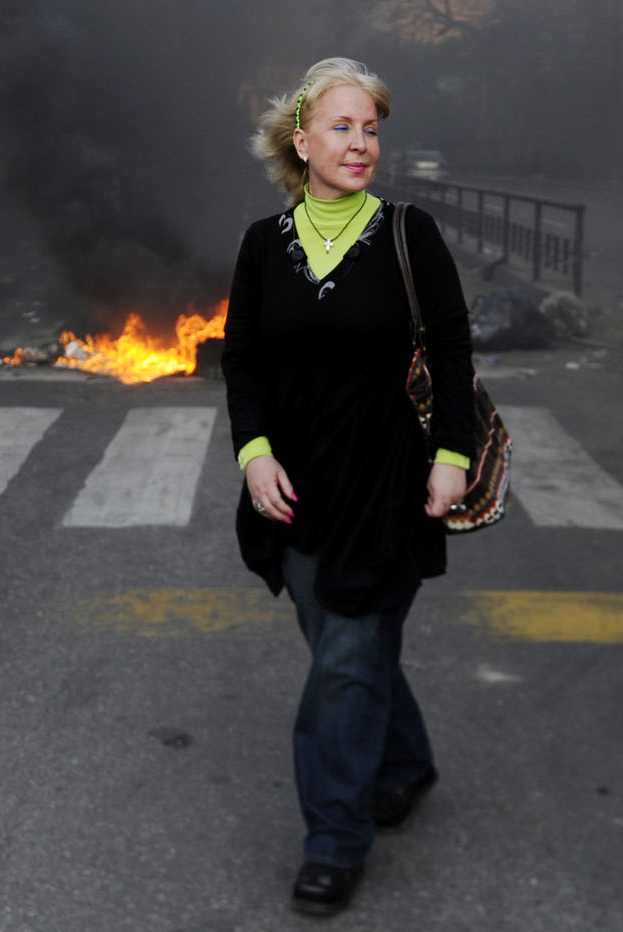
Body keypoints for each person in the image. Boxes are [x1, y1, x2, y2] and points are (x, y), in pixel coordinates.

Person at [221, 57, 476, 917]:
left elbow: (450, 352)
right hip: (295, 486)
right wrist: (254, 452)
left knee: (342, 661)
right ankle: (403, 763)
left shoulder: (410, 233)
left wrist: (453, 454)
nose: (361, 143)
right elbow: (245, 360)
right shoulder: (263, 245)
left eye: (371, 128)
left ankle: (333, 840)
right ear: (301, 139)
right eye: (342, 126)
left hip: (388, 485)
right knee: (345, 647)